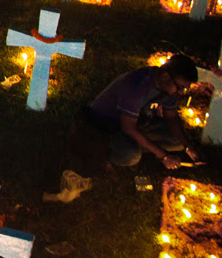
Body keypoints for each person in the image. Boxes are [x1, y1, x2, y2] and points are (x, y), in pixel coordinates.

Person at [66, 55, 202, 179]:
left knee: (178, 141)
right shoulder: (137, 86)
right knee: (130, 155)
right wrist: (163, 156)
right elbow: (128, 128)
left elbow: (171, 117)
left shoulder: (168, 88)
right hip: (107, 128)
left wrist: (188, 147)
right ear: (165, 76)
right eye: (180, 87)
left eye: (184, 88)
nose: (180, 92)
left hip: (138, 122)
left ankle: (141, 144)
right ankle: (111, 153)